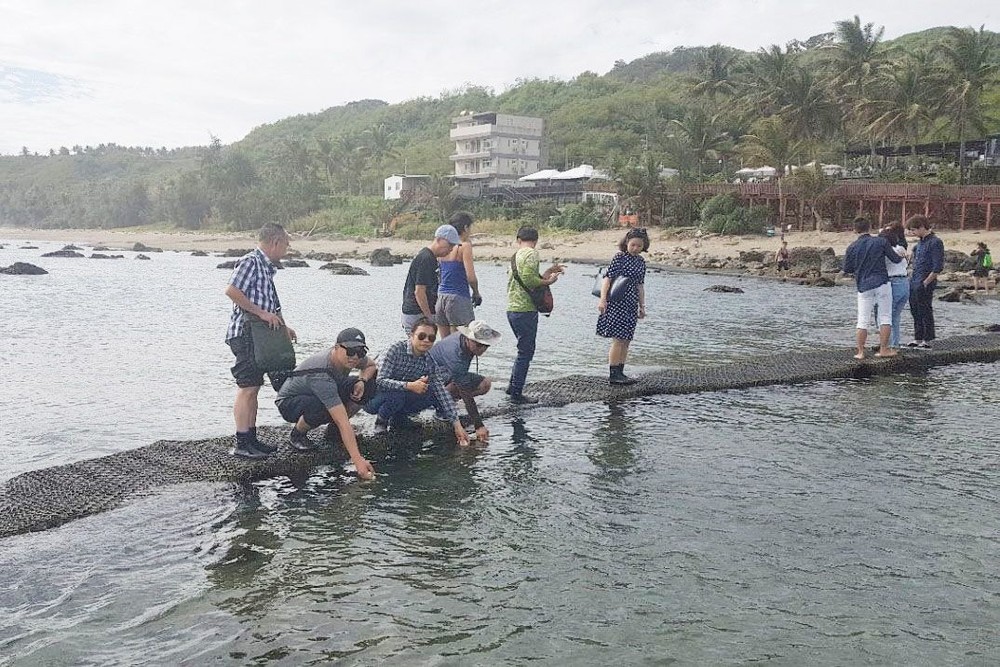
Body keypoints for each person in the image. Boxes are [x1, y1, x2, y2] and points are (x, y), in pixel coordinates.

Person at [224, 223, 296, 459]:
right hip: (245, 333)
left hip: (261, 336)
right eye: (286, 243)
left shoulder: (266, 269)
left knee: (255, 387)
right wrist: (261, 314)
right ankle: (242, 442)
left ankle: (251, 438)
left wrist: (284, 328)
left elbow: (272, 305)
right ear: (275, 242)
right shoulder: (251, 262)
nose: (287, 248)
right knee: (248, 387)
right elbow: (233, 291)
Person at [274, 328, 377, 480]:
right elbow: (342, 420)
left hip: (323, 389)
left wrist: (362, 381)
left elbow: (371, 366)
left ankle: (333, 432)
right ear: (336, 348)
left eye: (360, 352)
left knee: (370, 386)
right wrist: (358, 461)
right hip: (289, 402)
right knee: (323, 408)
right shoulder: (321, 372)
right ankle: (297, 434)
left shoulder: (353, 357)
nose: (355, 357)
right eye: (350, 351)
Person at [366, 318, 469, 445]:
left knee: (431, 390)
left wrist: (457, 425)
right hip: (374, 397)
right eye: (421, 336)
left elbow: (441, 392)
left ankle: (399, 419)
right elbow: (380, 381)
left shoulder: (428, 360)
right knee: (397, 393)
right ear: (411, 335)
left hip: (400, 395)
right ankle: (381, 422)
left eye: (431, 338)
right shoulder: (394, 350)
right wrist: (409, 385)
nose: (426, 340)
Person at [506, 227, 564, 404]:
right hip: (525, 309)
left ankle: (512, 386)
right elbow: (531, 281)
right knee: (526, 351)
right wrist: (549, 281)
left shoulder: (515, 256)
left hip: (511, 308)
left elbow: (524, 278)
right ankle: (516, 393)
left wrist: (544, 274)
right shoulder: (532, 254)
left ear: (518, 239)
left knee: (522, 349)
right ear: (536, 240)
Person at [429, 319, 502, 442]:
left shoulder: (465, 343)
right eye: (479, 344)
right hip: (432, 380)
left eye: (486, 345)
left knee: (486, 384)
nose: (482, 349)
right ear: (468, 338)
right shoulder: (455, 354)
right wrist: (478, 425)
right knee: (461, 386)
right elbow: (465, 391)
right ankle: (441, 408)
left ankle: (449, 401)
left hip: (447, 374)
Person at [842, 216, 902, 359]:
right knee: (885, 317)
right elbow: (895, 259)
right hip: (882, 282)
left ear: (854, 230)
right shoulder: (881, 242)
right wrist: (903, 256)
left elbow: (847, 268)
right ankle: (883, 349)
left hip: (863, 285)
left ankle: (861, 352)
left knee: (862, 319)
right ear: (870, 228)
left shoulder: (852, 247)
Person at [597, 228, 649, 385]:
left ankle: (620, 371)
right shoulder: (619, 257)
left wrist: (642, 306)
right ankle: (613, 374)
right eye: (633, 245)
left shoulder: (640, 262)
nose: (635, 248)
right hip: (616, 302)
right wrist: (602, 299)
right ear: (627, 243)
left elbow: (640, 285)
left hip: (631, 303)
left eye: (639, 246)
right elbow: (608, 279)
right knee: (618, 339)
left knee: (627, 339)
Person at [400, 224, 461, 335]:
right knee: (415, 348)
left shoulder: (432, 259)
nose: (451, 249)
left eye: (453, 246)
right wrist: (429, 318)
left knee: (422, 349)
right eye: (450, 245)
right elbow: (419, 292)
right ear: (438, 240)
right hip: (416, 313)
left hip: (421, 312)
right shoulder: (426, 258)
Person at [435, 212, 482, 339]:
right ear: (465, 228)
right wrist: (476, 293)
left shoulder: (443, 248)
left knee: (445, 343)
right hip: (458, 297)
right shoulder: (464, 246)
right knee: (463, 342)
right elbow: (470, 276)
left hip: (441, 298)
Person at [905, 215, 944, 349]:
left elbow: (938, 266)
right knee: (914, 309)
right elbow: (914, 262)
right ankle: (918, 337)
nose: (912, 233)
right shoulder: (919, 244)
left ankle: (928, 339)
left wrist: (927, 282)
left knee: (925, 309)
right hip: (915, 279)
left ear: (922, 227)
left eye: (914, 230)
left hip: (925, 281)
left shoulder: (935, 242)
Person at [879, 222, 909, 350]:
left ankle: (887, 344)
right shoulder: (901, 248)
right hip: (904, 282)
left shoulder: (885, 253)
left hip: (892, 283)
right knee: (895, 316)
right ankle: (893, 343)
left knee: (886, 316)